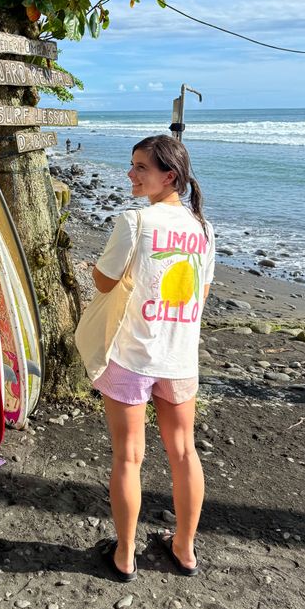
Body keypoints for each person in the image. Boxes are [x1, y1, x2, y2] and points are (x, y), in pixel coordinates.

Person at [91, 134, 214, 581]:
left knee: (128, 457)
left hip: (131, 354)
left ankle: (125, 556)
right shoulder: (202, 228)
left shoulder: (134, 222)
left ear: (170, 176)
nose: (131, 174)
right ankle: (184, 549)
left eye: (141, 167)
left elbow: (104, 284)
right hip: (179, 356)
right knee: (184, 452)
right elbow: (199, 294)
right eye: (132, 165)